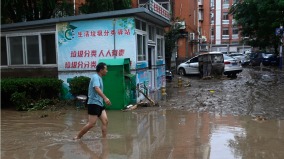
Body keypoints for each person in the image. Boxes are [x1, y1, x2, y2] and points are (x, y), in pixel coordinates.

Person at [74, 62, 111, 140]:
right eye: (106, 69)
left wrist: (103, 99)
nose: (107, 71)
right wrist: (105, 98)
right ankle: (78, 137)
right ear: (101, 70)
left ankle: (104, 139)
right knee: (91, 124)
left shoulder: (99, 78)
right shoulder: (95, 77)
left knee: (105, 121)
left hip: (100, 103)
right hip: (94, 103)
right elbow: (96, 88)